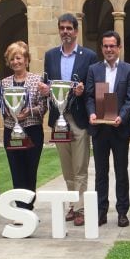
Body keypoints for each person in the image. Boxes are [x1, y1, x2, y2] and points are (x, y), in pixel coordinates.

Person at [37, 13, 98, 226]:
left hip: (79, 117)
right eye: (62, 28)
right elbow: (46, 82)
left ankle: (80, 208)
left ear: (76, 31)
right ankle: (72, 204)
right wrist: (45, 90)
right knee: (67, 167)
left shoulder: (89, 56)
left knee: (80, 166)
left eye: (69, 28)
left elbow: (93, 85)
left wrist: (83, 90)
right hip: (58, 117)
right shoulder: (51, 55)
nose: (65, 32)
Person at [85, 30, 130, 227]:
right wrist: (91, 113)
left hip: (119, 128)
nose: (109, 49)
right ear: (102, 48)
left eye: (112, 46)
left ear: (119, 47)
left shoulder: (129, 70)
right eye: (105, 46)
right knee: (101, 172)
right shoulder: (93, 70)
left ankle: (122, 212)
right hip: (99, 129)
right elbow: (90, 96)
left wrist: (121, 117)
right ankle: (101, 211)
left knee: (121, 171)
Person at [0, 41, 47, 209]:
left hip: (32, 130)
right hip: (11, 130)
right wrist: (10, 112)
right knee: (16, 170)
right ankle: (21, 208)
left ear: (26, 60)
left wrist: (29, 111)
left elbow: (43, 106)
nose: (16, 62)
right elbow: (2, 107)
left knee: (30, 170)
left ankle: (28, 207)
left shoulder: (37, 80)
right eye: (12, 59)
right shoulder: (4, 83)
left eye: (19, 58)